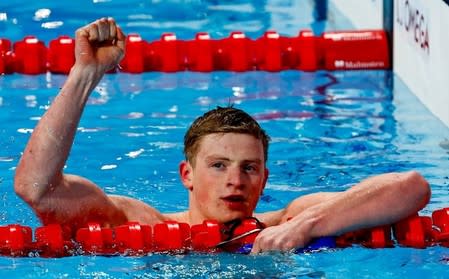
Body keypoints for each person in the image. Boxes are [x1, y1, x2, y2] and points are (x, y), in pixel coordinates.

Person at [14, 18, 431, 253]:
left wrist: (309, 226)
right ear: (187, 174)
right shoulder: (138, 223)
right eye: (218, 165)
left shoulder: (290, 222)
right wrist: (83, 76)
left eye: (250, 167)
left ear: (265, 178)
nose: (236, 180)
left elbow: (410, 187)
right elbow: (37, 190)